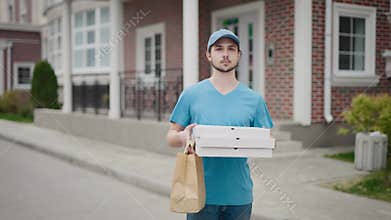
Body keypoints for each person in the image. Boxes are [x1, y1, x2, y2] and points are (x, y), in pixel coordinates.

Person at [166, 29, 273, 220]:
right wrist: (183, 137)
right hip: (199, 194)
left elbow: (266, 140)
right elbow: (171, 137)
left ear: (239, 55)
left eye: (231, 49)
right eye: (218, 49)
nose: (225, 54)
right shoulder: (191, 95)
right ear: (209, 54)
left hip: (239, 197)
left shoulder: (254, 100)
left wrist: (261, 142)